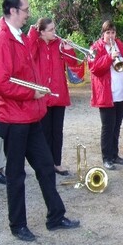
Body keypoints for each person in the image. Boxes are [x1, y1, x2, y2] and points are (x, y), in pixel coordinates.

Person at [0, 0, 79, 241]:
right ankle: (18, 225)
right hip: (13, 119)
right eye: (25, 9)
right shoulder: (1, 41)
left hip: (29, 117)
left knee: (46, 167)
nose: (29, 13)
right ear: (13, 11)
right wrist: (31, 93)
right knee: (16, 175)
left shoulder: (19, 37)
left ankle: (55, 216)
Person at [28, 18, 79, 176]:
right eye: (50, 30)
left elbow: (73, 64)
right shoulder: (36, 43)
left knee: (57, 131)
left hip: (59, 94)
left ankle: (56, 162)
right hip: (43, 94)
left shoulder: (59, 44)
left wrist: (69, 49)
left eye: (54, 29)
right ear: (42, 32)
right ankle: (46, 163)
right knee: (44, 131)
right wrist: (32, 34)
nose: (54, 32)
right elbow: (28, 55)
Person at [89, 20, 123, 171]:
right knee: (107, 127)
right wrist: (109, 57)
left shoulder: (120, 45)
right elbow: (94, 68)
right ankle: (106, 158)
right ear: (103, 34)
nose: (111, 35)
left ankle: (115, 155)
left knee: (117, 127)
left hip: (121, 93)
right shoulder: (95, 47)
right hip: (106, 94)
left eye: (113, 32)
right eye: (108, 33)